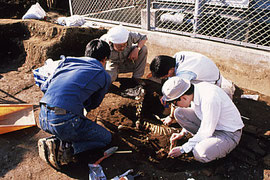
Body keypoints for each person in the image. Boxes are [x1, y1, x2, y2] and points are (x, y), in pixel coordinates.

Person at [38, 39, 112, 169]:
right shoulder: (103, 74)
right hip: (63, 120)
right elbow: (94, 104)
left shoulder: (67, 61)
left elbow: (45, 86)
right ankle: (64, 148)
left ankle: (57, 139)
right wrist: (81, 103)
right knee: (106, 138)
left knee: (68, 117)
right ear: (104, 59)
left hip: (43, 115)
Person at [162, 77, 244, 163]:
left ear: (184, 98)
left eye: (175, 103)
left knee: (200, 152)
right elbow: (201, 116)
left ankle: (216, 149)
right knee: (179, 113)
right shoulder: (195, 91)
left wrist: (183, 149)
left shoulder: (209, 99)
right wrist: (182, 133)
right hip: (212, 126)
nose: (176, 106)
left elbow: (206, 131)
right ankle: (205, 141)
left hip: (228, 133)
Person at [149, 51, 235, 99]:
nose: (166, 78)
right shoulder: (176, 56)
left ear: (171, 70)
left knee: (187, 97)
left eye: (165, 76)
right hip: (211, 73)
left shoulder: (184, 75)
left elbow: (178, 93)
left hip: (213, 83)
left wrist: (171, 116)